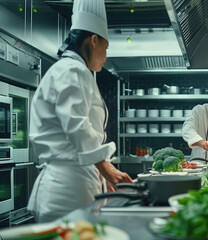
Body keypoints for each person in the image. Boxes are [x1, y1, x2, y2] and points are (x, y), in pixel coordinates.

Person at [28, 0, 133, 223]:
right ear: (94, 40)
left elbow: (81, 134)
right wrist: (105, 168)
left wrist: (105, 172)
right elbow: (77, 125)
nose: (105, 56)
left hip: (76, 184)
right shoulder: (71, 70)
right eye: (106, 47)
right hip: (66, 191)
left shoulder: (75, 71)